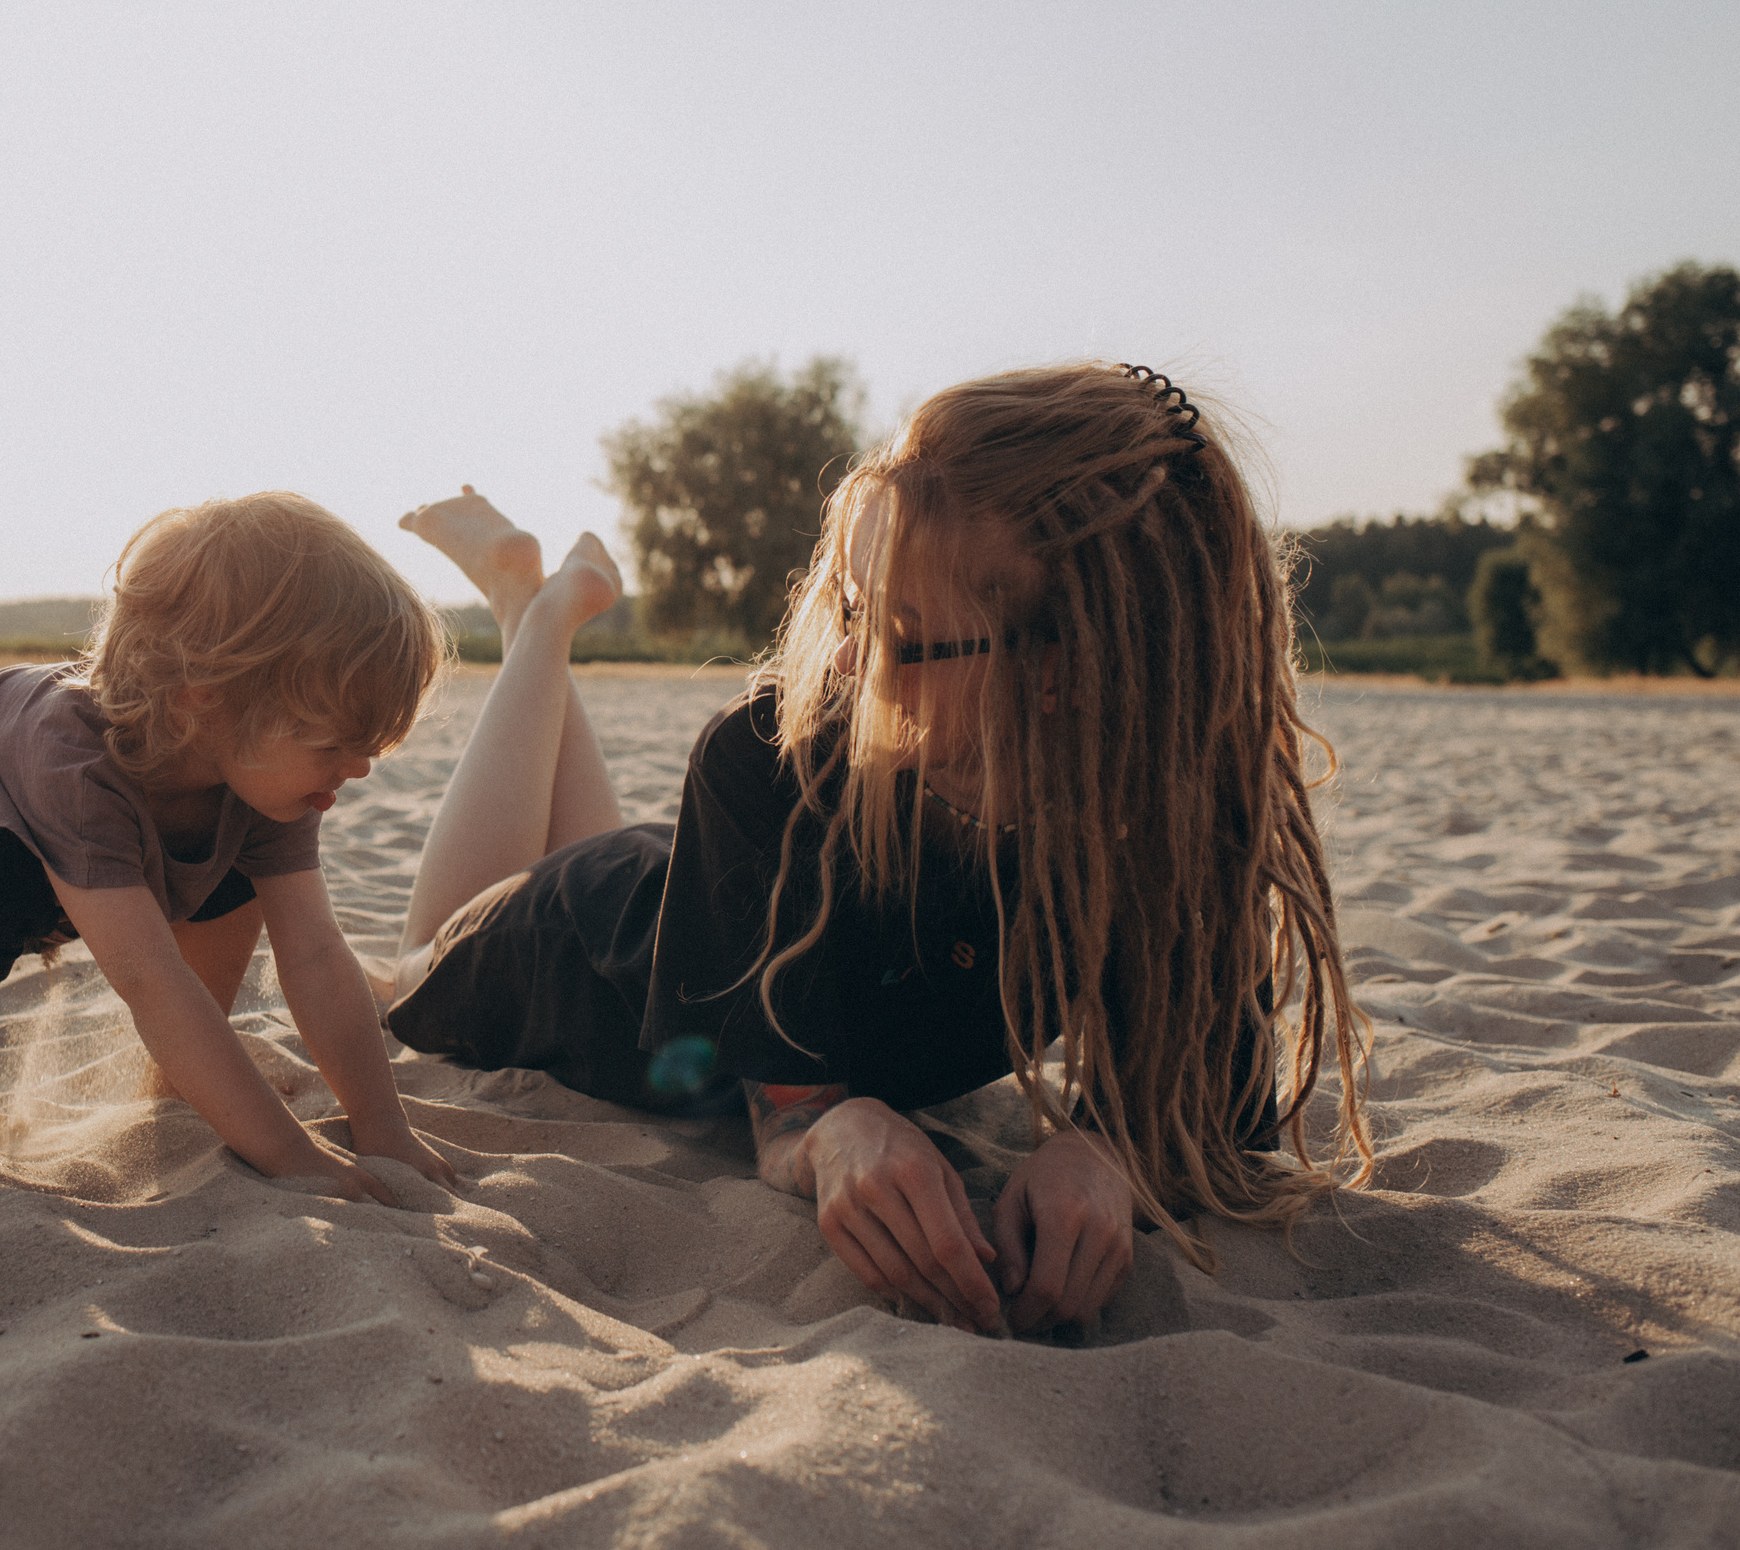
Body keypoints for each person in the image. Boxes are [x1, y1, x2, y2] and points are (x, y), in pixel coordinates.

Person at [380, 364, 1371, 1333]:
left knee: (613, 859)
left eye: (893, 628)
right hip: (566, 954)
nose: (844, 659)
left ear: (1067, 673)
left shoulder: (1165, 814)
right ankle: (537, 618)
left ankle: (533, 615)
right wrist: (835, 1129)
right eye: (849, 605)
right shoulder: (768, 753)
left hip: (701, 901)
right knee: (403, 967)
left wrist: (1106, 1154)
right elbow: (789, 1117)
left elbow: (1218, 1087)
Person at [0, 492, 458, 1204]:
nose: (355, 769)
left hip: (62, 870)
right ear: (205, 697)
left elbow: (317, 953)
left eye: (368, 748)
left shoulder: (264, 772)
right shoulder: (68, 754)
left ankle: (173, 1088)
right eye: (333, 743)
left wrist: (382, 1125)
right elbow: (148, 977)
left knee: (231, 855)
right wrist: (290, 1154)